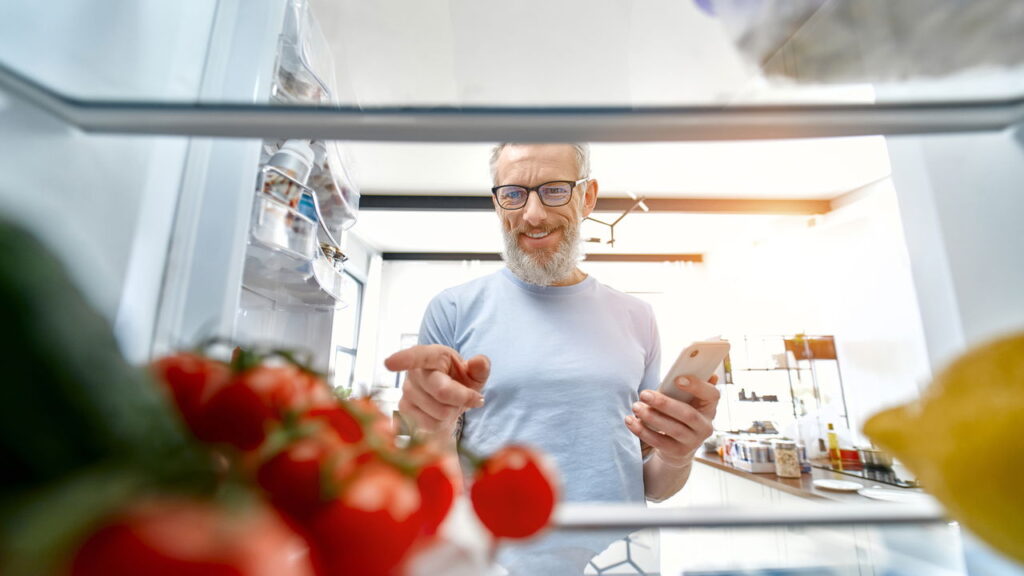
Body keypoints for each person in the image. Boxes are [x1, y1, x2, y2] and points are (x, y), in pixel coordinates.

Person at [384, 143, 720, 571]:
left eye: (555, 191)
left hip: (620, 559)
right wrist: (429, 430)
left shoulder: (638, 317)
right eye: (514, 194)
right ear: (497, 202)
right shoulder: (453, 310)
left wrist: (677, 455)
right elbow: (428, 467)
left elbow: (653, 486)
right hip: (491, 559)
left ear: (588, 196)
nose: (534, 215)